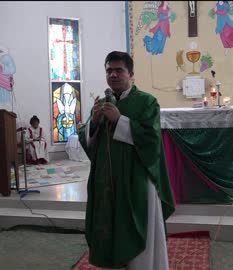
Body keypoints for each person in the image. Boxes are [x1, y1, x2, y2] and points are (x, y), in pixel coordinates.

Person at [78, 51, 175, 269]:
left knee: (137, 233)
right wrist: (93, 123)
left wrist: (120, 120)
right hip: (107, 184)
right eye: (109, 71)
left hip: (135, 181)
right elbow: (89, 141)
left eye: (118, 70)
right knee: (111, 230)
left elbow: (152, 140)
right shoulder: (103, 103)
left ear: (130, 73)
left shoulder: (146, 102)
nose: (113, 75)